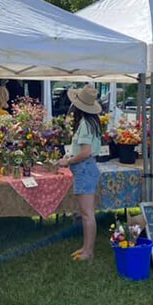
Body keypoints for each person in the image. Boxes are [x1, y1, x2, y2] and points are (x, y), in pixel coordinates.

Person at [58, 84, 102, 262]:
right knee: (87, 213)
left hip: (84, 168)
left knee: (87, 214)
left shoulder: (84, 124)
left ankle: (88, 251)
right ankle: (86, 247)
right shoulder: (93, 123)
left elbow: (85, 152)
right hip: (88, 168)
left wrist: (67, 161)